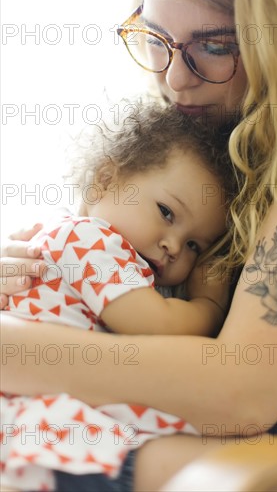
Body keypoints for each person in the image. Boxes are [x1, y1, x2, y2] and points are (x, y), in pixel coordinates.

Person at [1, 0, 277, 491]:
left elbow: (242, 396)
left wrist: (15, 348)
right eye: (156, 40)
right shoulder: (206, 142)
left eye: (214, 45)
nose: (174, 79)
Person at [1, 102, 237, 491]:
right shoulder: (88, 240)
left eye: (195, 245)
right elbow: (157, 325)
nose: (174, 247)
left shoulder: (112, 256)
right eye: (166, 212)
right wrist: (208, 305)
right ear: (105, 180)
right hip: (29, 409)